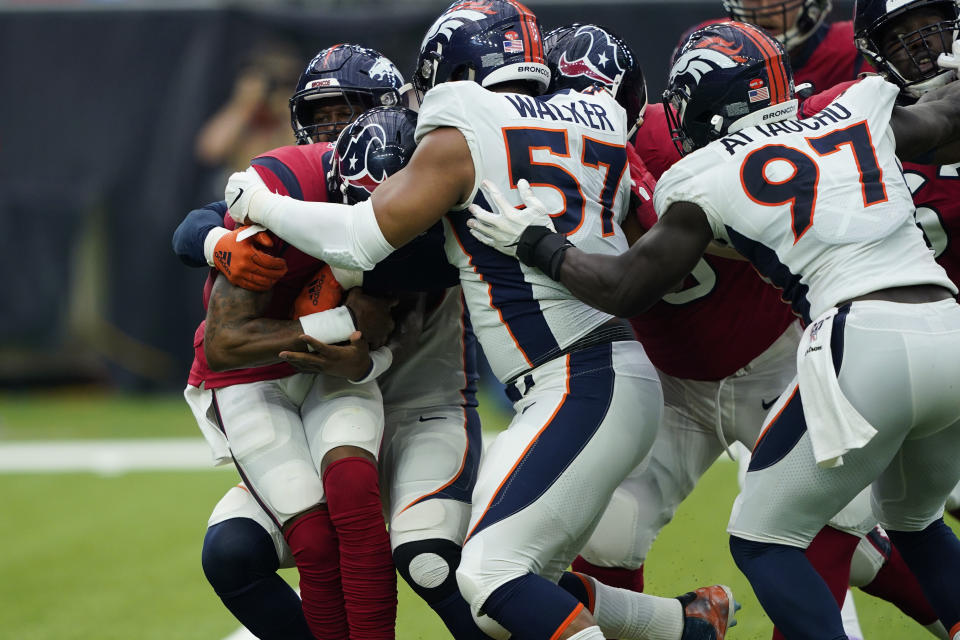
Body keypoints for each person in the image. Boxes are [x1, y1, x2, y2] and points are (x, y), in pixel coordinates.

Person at [224, 2, 739, 639]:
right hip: (609, 371)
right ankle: (685, 626)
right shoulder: (597, 111)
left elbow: (360, 239)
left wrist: (262, 206)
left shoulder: (463, 122)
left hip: (575, 379)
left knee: (489, 576)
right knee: (512, 587)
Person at [466, 19, 960, 639]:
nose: (568, 120)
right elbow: (938, 122)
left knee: (825, 521)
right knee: (617, 531)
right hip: (671, 374)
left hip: (783, 351)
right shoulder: (846, 111)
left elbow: (636, 275)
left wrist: (543, 241)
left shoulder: (682, 159)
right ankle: (683, 627)